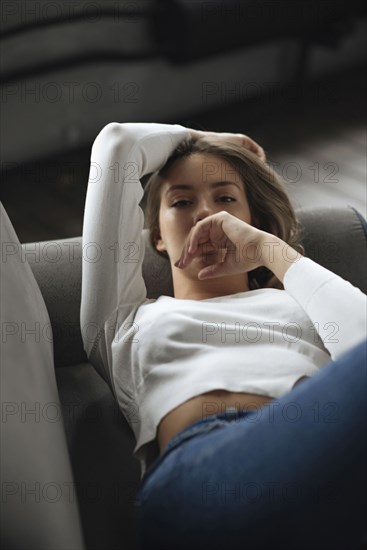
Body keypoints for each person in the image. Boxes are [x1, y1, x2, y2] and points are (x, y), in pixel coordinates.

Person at [81, 122, 367, 550]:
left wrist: (273, 251)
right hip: (207, 481)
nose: (207, 214)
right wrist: (202, 139)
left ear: (252, 220)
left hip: (329, 468)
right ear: (157, 236)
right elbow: (117, 144)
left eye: (226, 199)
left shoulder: (299, 299)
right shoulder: (123, 321)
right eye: (181, 201)